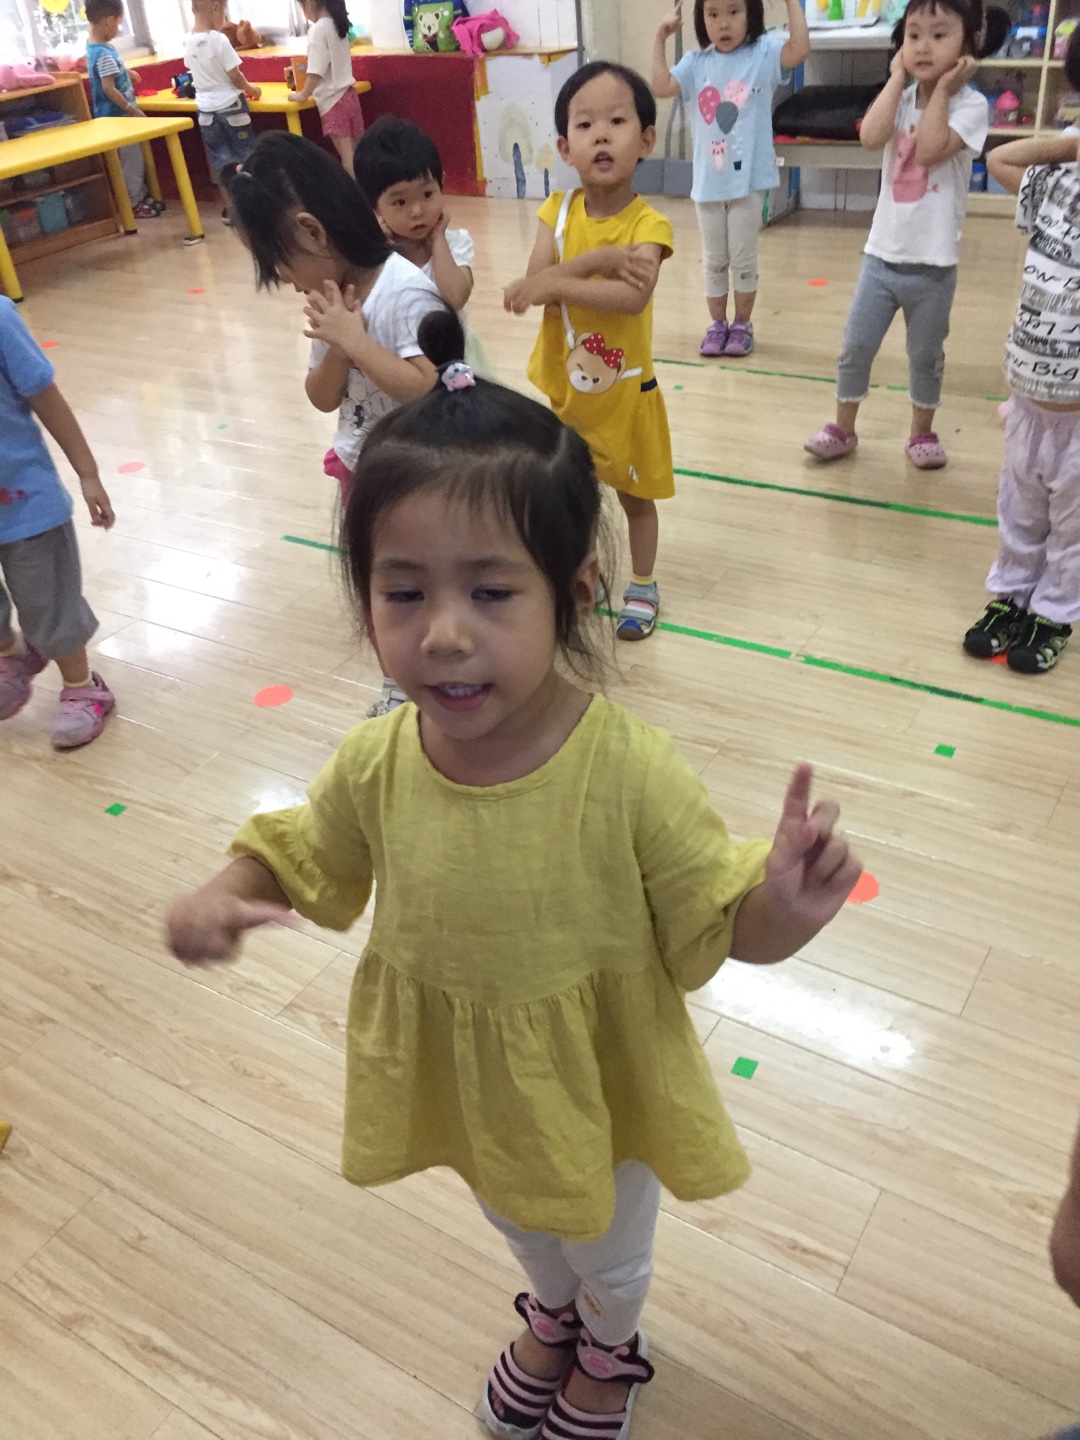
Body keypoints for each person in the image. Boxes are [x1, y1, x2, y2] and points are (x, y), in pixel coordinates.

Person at [165, 307, 862, 1440]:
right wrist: (223, 894)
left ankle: (612, 1341)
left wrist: (787, 904)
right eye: (404, 592)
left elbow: (721, 921)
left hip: (598, 1079)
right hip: (470, 1076)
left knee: (610, 1248)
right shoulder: (379, 760)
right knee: (520, 1224)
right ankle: (554, 1313)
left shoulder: (629, 770)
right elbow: (301, 853)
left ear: (575, 591)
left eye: (491, 593)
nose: (443, 633)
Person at [225, 131, 442, 715]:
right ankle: (397, 682)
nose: (286, 280)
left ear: (312, 232)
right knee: (380, 588)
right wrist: (340, 348)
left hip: (421, 475)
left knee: (426, 583)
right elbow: (321, 397)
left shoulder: (404, 290)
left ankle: (436, 674)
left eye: (279, 262)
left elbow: (429, 386)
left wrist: (355, 339)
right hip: (359, 468)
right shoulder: (333, 297)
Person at [504, 62, 674, 643]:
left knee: (636, 498)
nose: (601, 135)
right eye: (585, 124)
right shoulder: (555, 212)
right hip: (566, 394)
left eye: (617, 121)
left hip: (625, 396)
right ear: (565, 147)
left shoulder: (650, 225)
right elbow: (537, 281)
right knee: (572, 495)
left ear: (645, 140)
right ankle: (582, 572)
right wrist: (597, 262)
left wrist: (556, 282)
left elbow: (630, 298)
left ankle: (643, 584)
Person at [804, 0, 1005, 470]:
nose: (923, 46)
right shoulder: (901, 97)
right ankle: (843, 428)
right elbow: (870, 137)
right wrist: (896, 78)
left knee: (925, 355)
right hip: (881, 257)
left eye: (939, 35)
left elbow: (930, 149)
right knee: (856, 346)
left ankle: (921, 432)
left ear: (968, 45)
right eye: (913, 35)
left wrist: (944, 91)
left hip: (933, 266)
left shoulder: (971, 106)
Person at [961, 49, 1080, 675]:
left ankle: (1054, 611)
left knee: (1072, 526)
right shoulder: (1057, 183)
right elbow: (1000, 158)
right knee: (1020, 511)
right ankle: (1012, 596)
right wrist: (1069, 145)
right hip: (1031, 398)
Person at [650, 0, 811, 358]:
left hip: (748, 184)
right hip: (708, 185)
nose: (723, 23)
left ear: (751, 13)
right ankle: (717, 325)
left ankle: (742, 324)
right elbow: (660, 86)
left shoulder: (763, 54)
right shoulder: (696, 64)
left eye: (734, 12)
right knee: (713, 260)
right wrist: (660, 36)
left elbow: (800, 49)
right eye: (713, 14)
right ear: (701, 18)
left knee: (743, 258)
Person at [0, 297, 116, 750]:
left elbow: (46, 398)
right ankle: (13, 656)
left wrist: (88, 473)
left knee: (48, 601)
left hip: (26, 505)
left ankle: (83, 686)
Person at [353, 114, 491, 375]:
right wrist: (382, 249)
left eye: (427, 194)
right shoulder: (374, 255)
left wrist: (438, 238)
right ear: (374, 206)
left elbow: (455, 298)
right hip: (402, 364)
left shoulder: (455, 243)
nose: (417, 211)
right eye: (400, 202)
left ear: (441, 185)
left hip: (453, 362)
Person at [183, 0, 262, 224]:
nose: (224, 20)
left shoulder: (188, 41)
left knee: (221, 162)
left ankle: (231, 209)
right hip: (230, 105)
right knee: (246, 157)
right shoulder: (219, 40)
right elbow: (235, 76)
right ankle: (254, 208)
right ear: (216, 7)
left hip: (205, 111)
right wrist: (252, 89)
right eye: (224, 13)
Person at [85, 0, 164, 221]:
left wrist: (127, 72)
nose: (118, 30)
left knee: (132, 159)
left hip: (115, 117)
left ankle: (140, 196)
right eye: (119, 24)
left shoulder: (95, 47)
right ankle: (134, 202)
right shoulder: (103, 53)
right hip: (119, 117)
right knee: (132, 160)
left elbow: (108, 72)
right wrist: (130, 109)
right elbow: (108, 88)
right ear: (109, 20)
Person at [287, 0, 365, 177]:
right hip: (349, 96)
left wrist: (304, 94)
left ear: (311, 2)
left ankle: (352, 192)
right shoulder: (339, 25)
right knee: (357, 153)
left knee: (347, 157)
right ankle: (366, 189)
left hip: (333, 101)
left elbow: (316, 69)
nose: (304, 14)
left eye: (302, 7)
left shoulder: (318, 29)